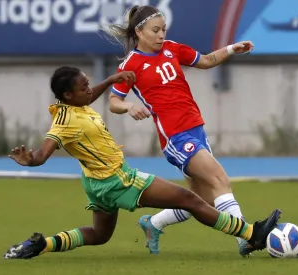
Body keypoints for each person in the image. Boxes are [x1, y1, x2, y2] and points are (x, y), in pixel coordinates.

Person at [3, 66, 280, 259]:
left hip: (96, 184)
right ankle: (250, 234)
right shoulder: (64, 123)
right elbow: (42, 153)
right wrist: (31, 159)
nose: (89, 89)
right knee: (191, 199)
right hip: (119, 180)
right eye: (84, 86)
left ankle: (41, 245)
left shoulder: (75, 105)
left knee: (100, 235)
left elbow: (90, 95)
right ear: (68, 96)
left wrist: (112, 78)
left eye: (88, 83)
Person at [105, 5, 257, 256]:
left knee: (202, 200)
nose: (161, 35)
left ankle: (153, 223)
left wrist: (231, 49)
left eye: (163, 29)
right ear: (139, 32)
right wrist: (129, 106)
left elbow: (207, 61)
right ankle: (246, 237)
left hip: (196, 128)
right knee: (220, 179)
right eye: (155, 30)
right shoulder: (130, 65)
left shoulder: (172, 49)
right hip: (175, 137)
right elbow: (113, 102)